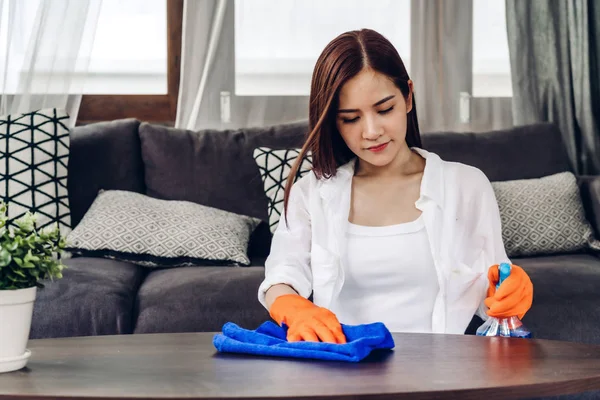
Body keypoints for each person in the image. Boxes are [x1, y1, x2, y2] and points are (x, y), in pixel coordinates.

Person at [257, 28, 533, 344]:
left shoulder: (466, 186)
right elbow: (281, 277)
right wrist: (294, 308)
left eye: (385, 109)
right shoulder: (312, 193)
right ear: (333, 121)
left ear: (408, 97)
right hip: (342, 373)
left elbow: (494, 287)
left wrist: (511, 292)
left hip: (439, 378)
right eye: (350, 118)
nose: (372, 131)